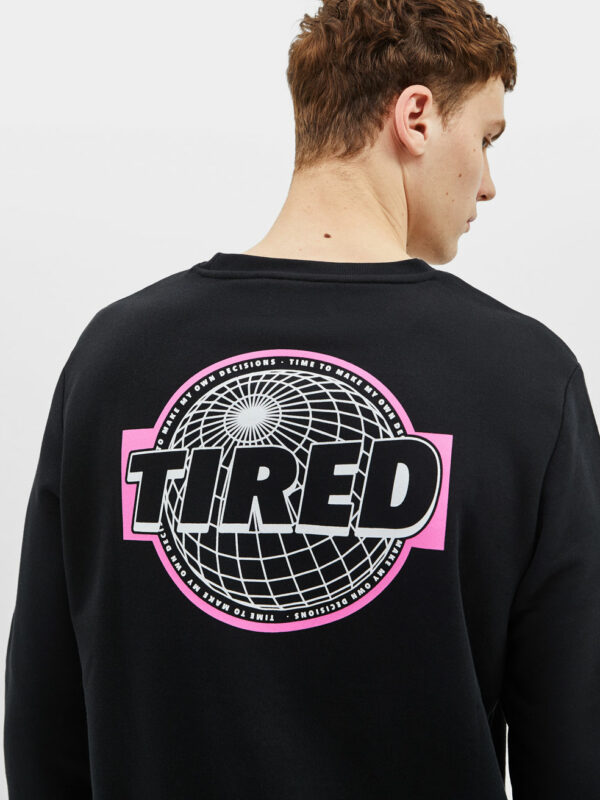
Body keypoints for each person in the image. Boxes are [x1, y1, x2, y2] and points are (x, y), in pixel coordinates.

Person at [4, 1, 599, 798]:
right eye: (486, 139)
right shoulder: (525, 381)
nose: (488, 185)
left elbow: (44, 737)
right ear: (416, 117)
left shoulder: (112, 362)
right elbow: (577, 751)